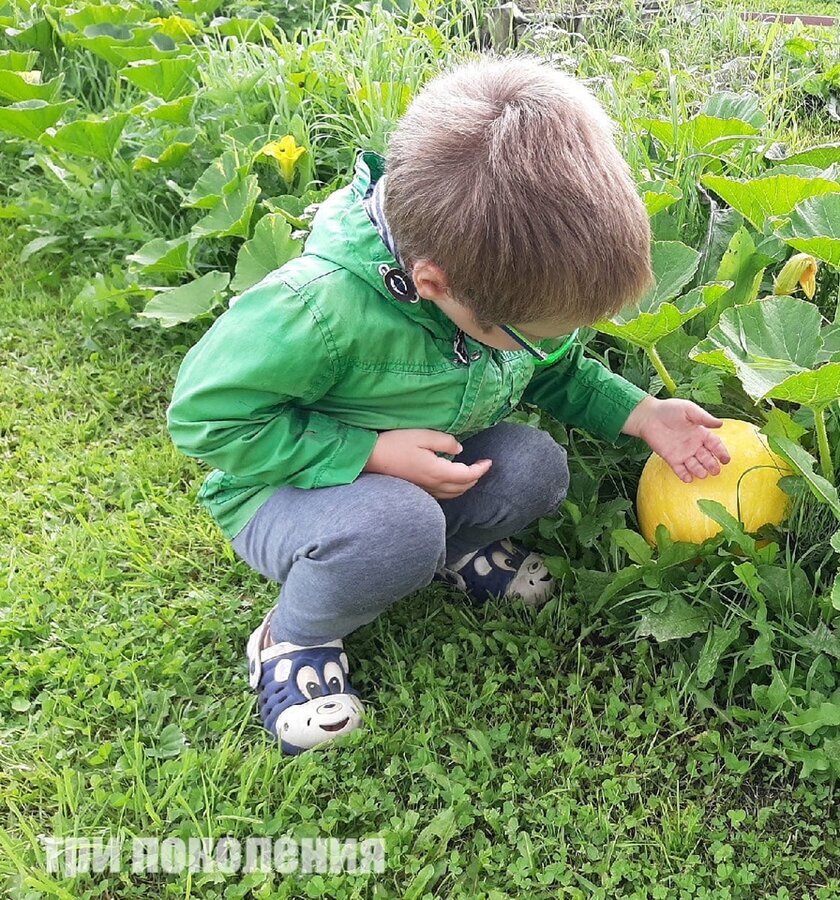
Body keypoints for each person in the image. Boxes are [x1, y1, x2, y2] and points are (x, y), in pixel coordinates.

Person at [166, 55, 730, 755]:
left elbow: (555, 368)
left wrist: (645, 414)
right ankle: (295, 637)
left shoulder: (482, 281)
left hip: (419, 469)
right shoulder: (318, 309)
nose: (549, 343)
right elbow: (203, 418)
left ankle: (450, 550)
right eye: (534, 332)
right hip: (285, 494)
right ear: (433, 284)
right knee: (398, 525)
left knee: (536, 467)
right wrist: (368, 453)